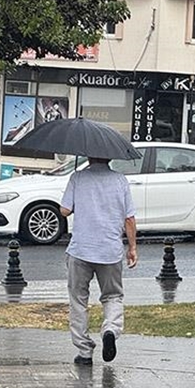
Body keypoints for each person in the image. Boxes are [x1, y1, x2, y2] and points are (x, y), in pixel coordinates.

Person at [59, 156, 138, 365]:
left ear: (88, 156)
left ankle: (84, 352)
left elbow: (64, 210)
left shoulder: (77, 177)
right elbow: (129, 218)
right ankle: (110, 329)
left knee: (78, 300)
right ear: (109, 157)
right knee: (113, 296)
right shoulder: (120, 180)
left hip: (80, 250)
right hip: (110, 251)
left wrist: (77, 201)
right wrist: (132, 248)